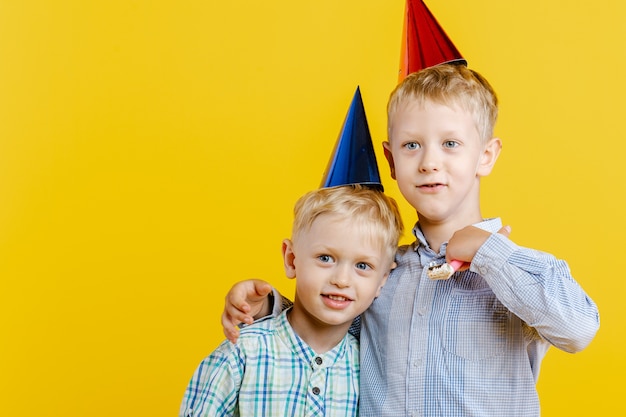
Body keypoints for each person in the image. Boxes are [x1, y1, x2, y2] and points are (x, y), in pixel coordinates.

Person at [220, 63, 600, 417]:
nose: (428, 162)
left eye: (450, 144)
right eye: (411, 145)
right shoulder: (379, 271)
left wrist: (490, 253)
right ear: (391, 161)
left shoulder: (516, 267)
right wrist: (269, 310)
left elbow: (579, 329)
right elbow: (331, 327)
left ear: (485, 156)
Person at [180, 184, 404, 417]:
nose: (341, 280)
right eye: (325, 258)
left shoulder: (370, 371)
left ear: (383, 279)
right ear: (291, 259)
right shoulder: (243, 354)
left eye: (362, 266)